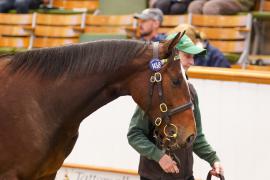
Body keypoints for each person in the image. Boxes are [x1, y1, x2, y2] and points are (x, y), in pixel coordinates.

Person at [127, 33, 224, 180]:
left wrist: (213, 159)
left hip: (185, 176)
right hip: (154, 177)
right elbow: (135, 134)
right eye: (187, 56)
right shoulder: (153, 91)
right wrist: (159, 156)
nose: (192, 62)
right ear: (173, 56)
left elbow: (195, 136)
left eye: (193, 57)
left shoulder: (191, 91)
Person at [188, 0, 255, 15]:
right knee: (194, 6)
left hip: (239, 2)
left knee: (211, 7)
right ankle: (198, 41)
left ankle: (213, 42)